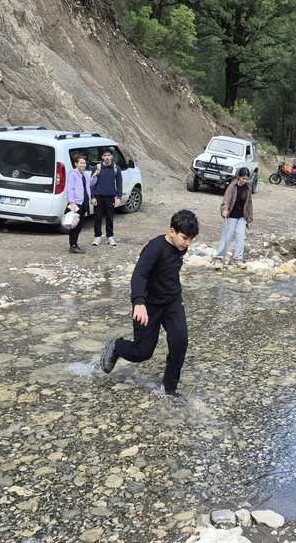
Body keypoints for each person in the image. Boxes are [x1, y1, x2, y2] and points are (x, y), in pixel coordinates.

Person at [100, 209, 199, 400]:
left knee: (180, 342)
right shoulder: (154, 248)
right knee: (142, 352)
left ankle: (168, 390)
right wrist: (138, 302)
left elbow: (169, 270)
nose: (187, 243)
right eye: (185, 238)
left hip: (172, 302)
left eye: (191, 239)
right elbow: (139, 275)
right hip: (148, 306)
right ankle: (117, 346)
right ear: (171, 231)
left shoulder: (181, 247)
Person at [214, 168, 253, 267]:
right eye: (243, 178)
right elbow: (226, 200)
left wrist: (249, 217)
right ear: (239, 177)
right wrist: (224, 209)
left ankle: (238, 258)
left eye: (247, 179)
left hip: (241, 217)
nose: (245, 181)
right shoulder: (232, 186)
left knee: (241, 237)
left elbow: (249, 203)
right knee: (227, 236)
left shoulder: (248, 188)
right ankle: (219, 257)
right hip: (231, 216)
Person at [90, 149, 122, 247]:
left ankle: (110, 236)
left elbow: (119, 183)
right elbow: (92, 184)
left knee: (110, 218)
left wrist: (118, 197)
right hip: (98, 197)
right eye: (105, 155)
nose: (107, 157)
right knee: (97, 218)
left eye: (109, 155)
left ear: (112, 157)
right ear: (102, 157)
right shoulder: (97, 167)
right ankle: (97, 236)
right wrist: (93, 196)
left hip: (111, 197)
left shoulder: (116, 168)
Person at [65, 154, 90, 253]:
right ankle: (73, 245)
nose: (83, 165)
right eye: (81, 163)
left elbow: (88, 187)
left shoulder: (84, 175)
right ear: (76, 163)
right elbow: (70, 189)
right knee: (74, 225)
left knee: (79, 225)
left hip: (83, 203)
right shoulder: (73, 174)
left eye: (84, 163)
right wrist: (72, 202)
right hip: (76, 204)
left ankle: (74, 244)